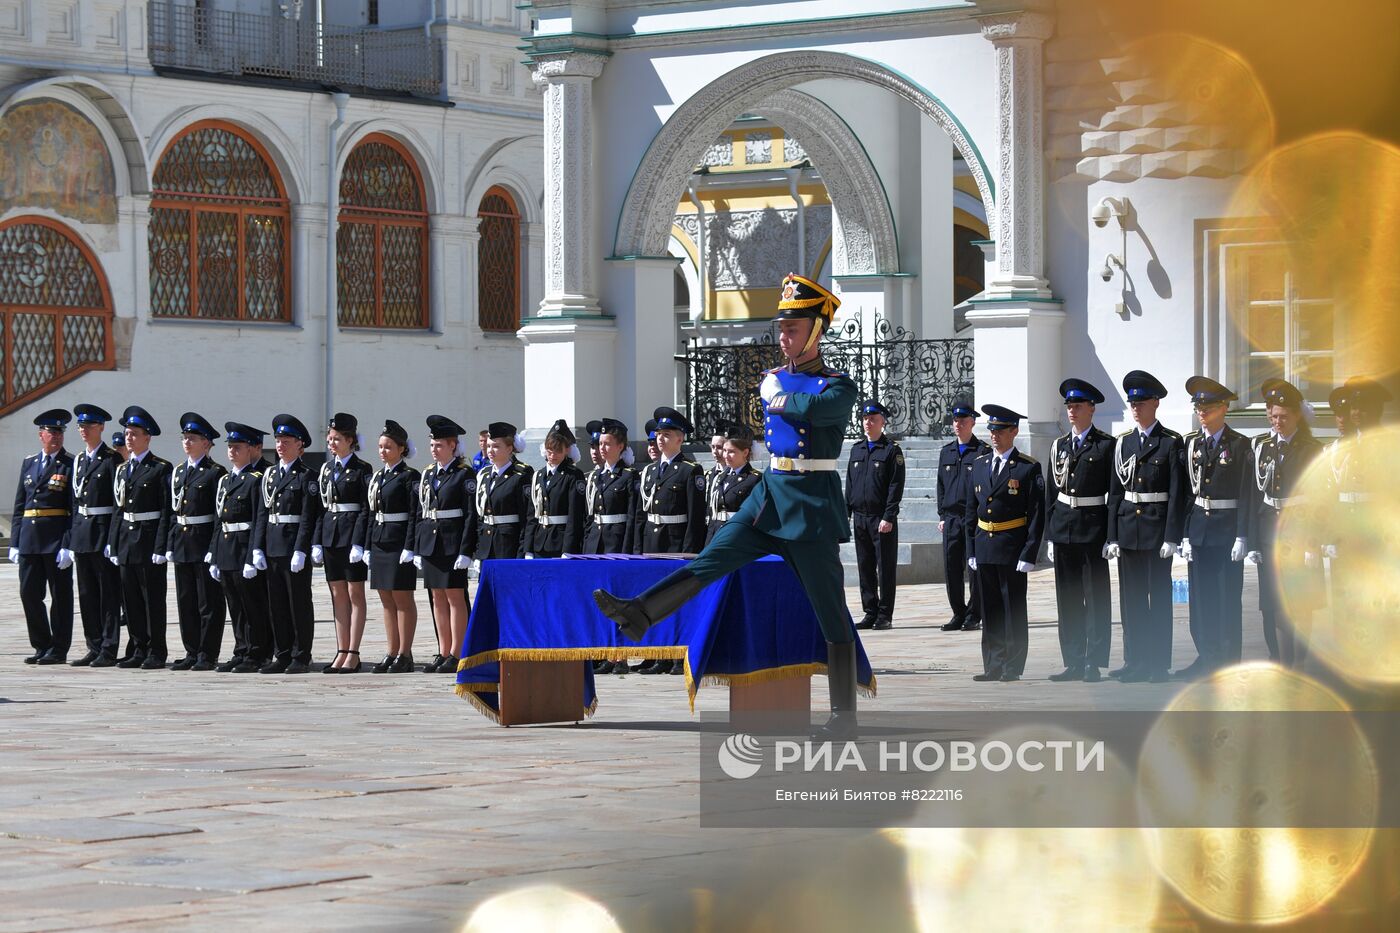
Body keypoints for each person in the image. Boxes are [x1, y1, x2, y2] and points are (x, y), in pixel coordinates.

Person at [595, 273, 863, 733]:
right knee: (713, 558)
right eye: (781, 328)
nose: (783, 337)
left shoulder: (839, 386)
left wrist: (781, 396)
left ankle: (844, 713)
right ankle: (640, 613)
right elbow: (782, 401)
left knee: (829, 610)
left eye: (793, 329)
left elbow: (814, 410)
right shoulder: (774, 379)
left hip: (811, 506)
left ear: (816, 331)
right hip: (771, 494)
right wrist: (782, 396)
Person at [1104, 371, 1186, 683]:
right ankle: (1134, 659)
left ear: (1156, 403)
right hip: (1128, 530)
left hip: (1155, 531)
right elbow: (1114, 493)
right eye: (1132, 403)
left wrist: (1172, 536)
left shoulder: (1170, 443)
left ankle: (1157, 663)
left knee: (1159, 600)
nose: (1135, 408)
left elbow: (1177, 493)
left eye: (1141, 402)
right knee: (1131, 600)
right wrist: (1111, 535)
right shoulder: (1123, 443)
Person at [1174, 377, 1254, 679]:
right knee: (1201, 599)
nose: (1201, 412)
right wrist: (1184, 533)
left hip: (1226, 531)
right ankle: (1206, 656)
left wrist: (1243, 535)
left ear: (1224, 408)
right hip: (1199, 531)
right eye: (1198, 407)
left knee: (1226, 599)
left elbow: (1246, 493)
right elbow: (1186, 492)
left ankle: (1228, 660)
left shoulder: (1239, 445)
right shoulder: (1192, 443)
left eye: (1207, 407)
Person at [965, 405, 1045, 683]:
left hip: (1012, 546)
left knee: (1012, 608)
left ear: (1014, 431)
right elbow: (970, 511)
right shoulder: (979, 464)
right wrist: (971, 549)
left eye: (1000, 430)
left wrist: (1030, 551)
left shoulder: (1026, 467)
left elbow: (1036, 514)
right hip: (984, 545)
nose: (994, 435)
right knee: (990, 609)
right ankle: (993, 664)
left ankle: (1012, 665)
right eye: (991, 430)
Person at [1247, 379, 1322, 669]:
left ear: (1297, 416)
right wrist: (1252, 541)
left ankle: (1299, 662)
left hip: (1300, 534)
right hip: (1270, 533)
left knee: (1300, 603)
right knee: (1274, 602)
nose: (1278, 422)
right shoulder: (1263, 448)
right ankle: (1281, 660)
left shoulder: (1311, 449)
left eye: (1284, 417)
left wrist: (1314, 542)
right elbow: (1255, 498)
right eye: (1274, 416)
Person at [1044, 379, 1115, 683]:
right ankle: (1072, 659)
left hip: (1092, 528)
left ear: (1091, 409)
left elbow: (1114, 494)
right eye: (1069, 406)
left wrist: (1111, 536)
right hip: (1063, 529)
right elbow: (1050, 492)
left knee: (1095, 597)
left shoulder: (1105, 445)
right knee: (1068, 598)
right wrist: (1049, 533)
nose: (1071, 411)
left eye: (1077, 406)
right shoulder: (1059, 445)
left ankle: (1093, 662)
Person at [252, 414, 321, 674]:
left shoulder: (307, 476)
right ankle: (281, 654)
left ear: (300, 445)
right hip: (272, 544)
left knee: (298, 603)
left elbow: (307, 517)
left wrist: (301, 549)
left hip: (293, 546)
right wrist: (257, 547)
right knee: (277, 604)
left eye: (286, 440)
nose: (280, 445)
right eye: (278, 440)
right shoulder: (269, 475)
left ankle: (301, 655)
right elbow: (262, 513)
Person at [108, 406, 173, 669]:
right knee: (131, 599)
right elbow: (118, 509)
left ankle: (156, 651)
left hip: (148, 539)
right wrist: (113, 542)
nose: (129, 438)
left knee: (152, 600)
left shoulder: (160, 468)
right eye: (127, 434)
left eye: (134, 434)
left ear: (147, 437)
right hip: (126, 539)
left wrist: (161, 546)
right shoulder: (123, 469)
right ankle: (137, 647)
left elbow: (166, 510)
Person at [11, 408, 75, 665]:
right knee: (29, 593)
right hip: (29, 538)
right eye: (51, 432)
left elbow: (73, 508)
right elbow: (19, 505)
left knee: (60, 596)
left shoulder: (70, 464)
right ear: (41, 435)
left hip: (55, 538)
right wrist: (15, 542)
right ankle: (41, 644)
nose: (56, 436)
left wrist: (68, 544)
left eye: (59, 432)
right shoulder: (30, 463)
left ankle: (59, 649)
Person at [415, 415, 476, 674]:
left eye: (439, 445)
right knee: (436, 596)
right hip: (431, 542)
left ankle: (458, 652)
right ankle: (443, 650)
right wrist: (418, 546)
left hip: (452, 543)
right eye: (432, 445)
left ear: (453, 445)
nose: (434, 449)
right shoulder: (429, 473)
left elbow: (471, 514)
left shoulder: (464, 474)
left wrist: (465, 550)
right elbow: (423, 510)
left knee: (454, 596)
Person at [167, 413, 228, 671]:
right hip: (182, 541)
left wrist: (214, 548)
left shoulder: (215, 473)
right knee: (186, 601)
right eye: (185, 438)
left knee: (208, 602)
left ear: (207, 443)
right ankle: (191, 650)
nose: (187, 442)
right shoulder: (179, 471)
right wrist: (169, 544)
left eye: (193, 438)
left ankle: (207, 652)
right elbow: (174, 510)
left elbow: (218, 514)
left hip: (203, 541)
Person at [210, 422, 272, 673]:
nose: (232, 451)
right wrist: (213, 553)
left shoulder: (255, 480)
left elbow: (259, 518)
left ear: (250, 450)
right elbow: (219, 518)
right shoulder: (226, 480)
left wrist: (253, 554)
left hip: (244, 546)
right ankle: (241, 649)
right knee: (234, 604)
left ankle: (257, 651)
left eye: (238, 447)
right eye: (230, 447)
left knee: (252, 604)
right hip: (226, 546)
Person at [314, 413, 372, 674]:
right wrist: (317, 542)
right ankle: (341, 648)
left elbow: (364, 509)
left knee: (354, 593)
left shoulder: (362, 469)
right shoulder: (327, 469)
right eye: (330, 439)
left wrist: (359, 543)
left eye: (337, 439)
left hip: (350, 536)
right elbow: (321, 508)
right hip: (330, 535)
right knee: (337, 594)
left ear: (350, 440)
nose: (332, 443)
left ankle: (353, 652)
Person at [68, 404, 122, 667]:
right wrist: (69, 540)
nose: (84, 430)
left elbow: (117, 503)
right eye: (81, 426)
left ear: (101, 428)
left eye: (89, 426)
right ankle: (93, 644)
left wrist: (113, 539)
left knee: (107, 594)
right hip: (81, 533)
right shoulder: (79, 460)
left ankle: (109, 648)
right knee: (87, 593)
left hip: (101, 531)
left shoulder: (112, 460)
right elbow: (73, 503)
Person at [846, 399, 905, 631]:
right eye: (865, 419)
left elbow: (895, 485)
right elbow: (850, 484)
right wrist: (846, 512)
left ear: (883, 422)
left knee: (885, 567)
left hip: (881, 518)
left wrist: (889, 516)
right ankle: (870, 610)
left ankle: (884, 614)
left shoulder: (891, 450)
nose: (868, 423)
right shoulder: (857, 449)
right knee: (865, 566)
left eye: (873, 419)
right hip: (860, 516)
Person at [366, 420, 420, 674]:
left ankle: (405, 653)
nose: (383, 451)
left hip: (398, 541)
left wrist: (410, 546)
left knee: (402, 598)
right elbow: (371, 512)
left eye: (388, 447)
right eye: (380, 447)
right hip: (380, 540)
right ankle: (391, 650)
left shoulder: (409, 476)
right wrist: (367, 544)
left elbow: (413, 514)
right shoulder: (378, 476)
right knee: (386, 599)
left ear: (401, 449)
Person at [936, 402, 988, 632]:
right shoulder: (946, 451)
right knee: (951, 567)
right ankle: (958, 611)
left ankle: (974, 613)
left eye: (963, 421)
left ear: (973, 423)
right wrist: (942, 515)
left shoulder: (982, 451)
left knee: (973, 568)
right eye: (956, 421)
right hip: (951, 519)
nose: (958, 425)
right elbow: (940, 486)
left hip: (973, 519)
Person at [469, 421, 534, 563]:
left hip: (509, 545)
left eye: (496, 446)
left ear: (510, 449)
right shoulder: (484, 475)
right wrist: (478, 550)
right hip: (486, 546)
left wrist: (525, 549)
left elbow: (527, 518)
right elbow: (480, 516)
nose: (490, 451)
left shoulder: (520, 476)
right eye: (489, 446)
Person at [525, 420, 586, 558]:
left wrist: (568, 549)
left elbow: (574, 515)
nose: (552, 455)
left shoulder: (573, 475)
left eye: (558, 451)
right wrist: (528, 548)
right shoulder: (539, 475)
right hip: (539, 541)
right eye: (549, 450)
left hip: (561, 542)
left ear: (567, 450)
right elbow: (532, 515)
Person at [705, 420, 761, 546]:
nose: (726, 455)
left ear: (745, 453)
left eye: (731, 452)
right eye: (725, 450)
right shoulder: (720, 477)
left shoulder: (754, 479)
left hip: (738, 540)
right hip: (715, 537)